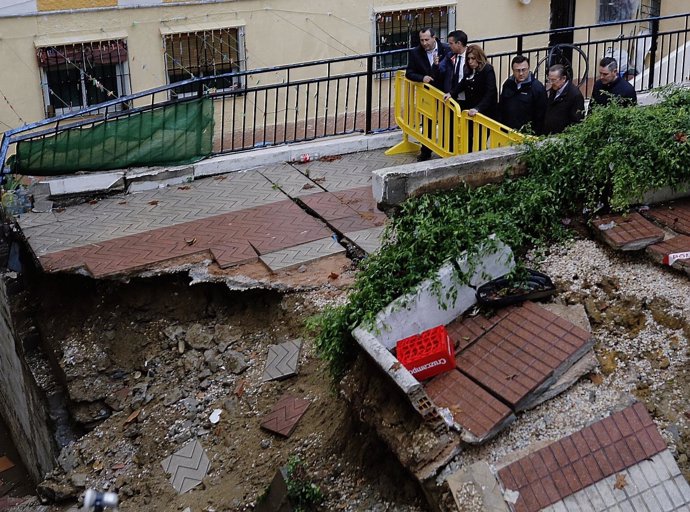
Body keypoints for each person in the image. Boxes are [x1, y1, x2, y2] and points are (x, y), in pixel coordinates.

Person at [405, 27, 451, 161]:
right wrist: (422, 78)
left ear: (434, 38)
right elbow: (409, 73)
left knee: (446, 121)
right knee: (427, 123)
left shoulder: (446, 49)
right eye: (422, 40)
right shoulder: (415, 53)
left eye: (427, 40)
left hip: (443, 92)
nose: (424, 43)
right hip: (427, 94)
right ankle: (426, 151)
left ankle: (446, 148)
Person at [498, 55, 547, 134]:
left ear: (528, 69)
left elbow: (541, 115)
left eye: (523, 70)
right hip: (507, 132)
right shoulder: (508, 84)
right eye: (517, 70)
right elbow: (501, 107)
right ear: (513, 71)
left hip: (527, 135)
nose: (521, 73)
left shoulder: (537, 88)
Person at [445, 44, 497, 118]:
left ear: (479, 58)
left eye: (473, 58)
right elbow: (463, 83)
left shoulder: (487, 69)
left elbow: (490, 92)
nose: (470, 61)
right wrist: (451, 93)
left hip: (485, 112)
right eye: (468, 59)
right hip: (471, 110)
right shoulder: (468, 70)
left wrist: (478, 108)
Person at [542, 64, 584, 135]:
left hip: (562, 137)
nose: (551, 83)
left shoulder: (575, 96)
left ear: (563, 78)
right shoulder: (555, 88)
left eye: (553, 80)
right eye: (549, 79)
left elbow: (577, 122)